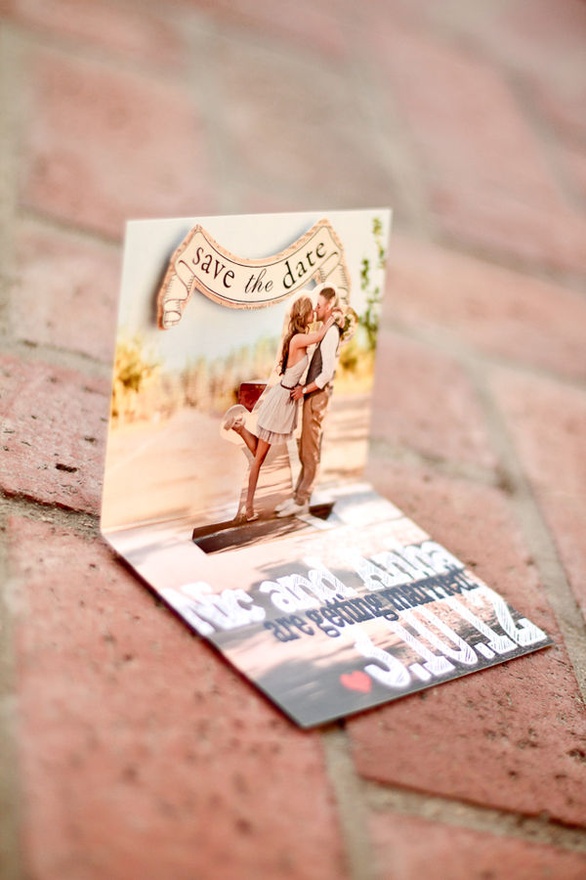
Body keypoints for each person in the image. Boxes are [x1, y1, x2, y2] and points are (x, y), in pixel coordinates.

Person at [222, 294, 335, 522]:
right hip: (281, 400)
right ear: (304, 314)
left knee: (259, 453)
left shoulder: (298, 338)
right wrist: (332, 319)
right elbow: (319, 336)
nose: (314, 312)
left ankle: (241, 427)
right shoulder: (298, 339)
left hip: (285, 398)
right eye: (312, 310)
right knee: (258, 459)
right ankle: (249, 508)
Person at [277, 285, 341, 518]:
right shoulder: (324, 331)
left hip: (316, 397)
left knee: (311, 450)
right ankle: (298, 495)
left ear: (329, 306)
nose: (316, 309)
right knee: (304, 447)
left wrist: (303, 390)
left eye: (319, 306)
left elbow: (326, 375)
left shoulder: (331, 333)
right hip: (311, 396)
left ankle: (302, 499)